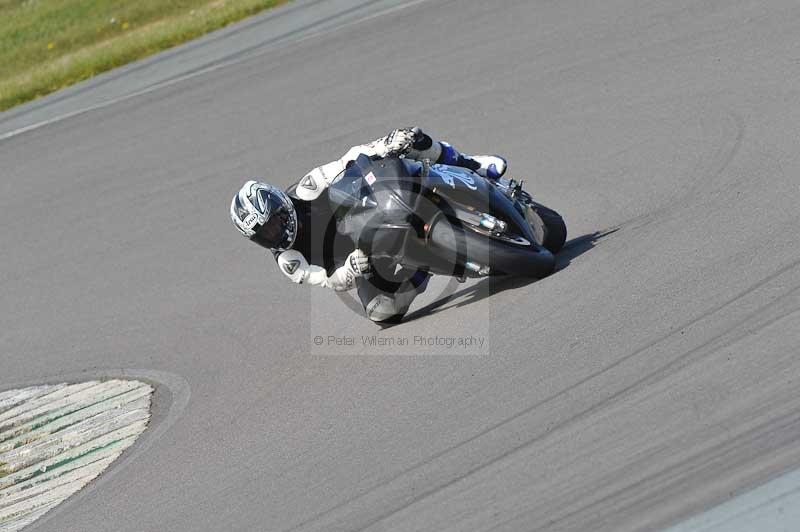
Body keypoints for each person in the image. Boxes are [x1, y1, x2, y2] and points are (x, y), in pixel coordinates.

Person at [230, 127, 507, 323]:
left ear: (280, 203)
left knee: (410, 140)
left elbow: (349, 159)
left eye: (273, 223)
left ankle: (472, 165)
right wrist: (351, 269)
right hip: (363, 256)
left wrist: (385, 144)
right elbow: (327, 279)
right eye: (264, 235)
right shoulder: (289, 261)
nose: (275, 233)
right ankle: (425, 267)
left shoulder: (307, 188)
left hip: (371, 206)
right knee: (381, 311)